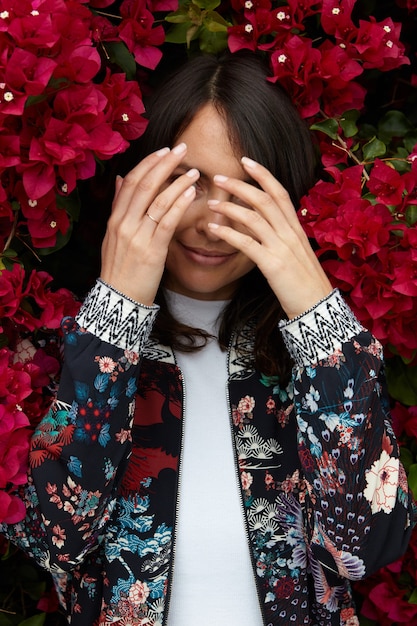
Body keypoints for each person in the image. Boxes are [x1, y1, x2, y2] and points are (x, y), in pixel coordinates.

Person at [1, 50, 415, 626]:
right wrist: (114, 316)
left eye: (244, 192)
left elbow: (370, 545)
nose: (212, 223)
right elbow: (53, 539)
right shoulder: (69, 344)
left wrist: (320, 319)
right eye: (187, 183)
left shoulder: (313, 360)